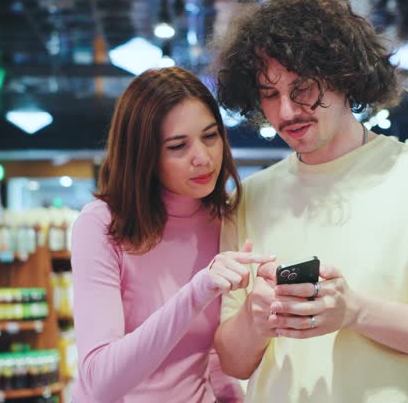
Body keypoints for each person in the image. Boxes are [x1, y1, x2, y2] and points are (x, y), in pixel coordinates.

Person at [212, 0, 408, 403]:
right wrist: (254, 319)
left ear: (345, 77)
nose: (287, 112)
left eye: (303, 88)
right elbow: (233, 361)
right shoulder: (250, 197)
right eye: (269, 95)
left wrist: (355, 311)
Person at [71, 67, 272, 402]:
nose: (203, 158)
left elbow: (207, 353)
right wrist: (196, 292)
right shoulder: (101, 225)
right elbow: (101, 382)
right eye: (178, 146)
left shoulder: (225, 218)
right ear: (144, 156)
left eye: (210, 136)